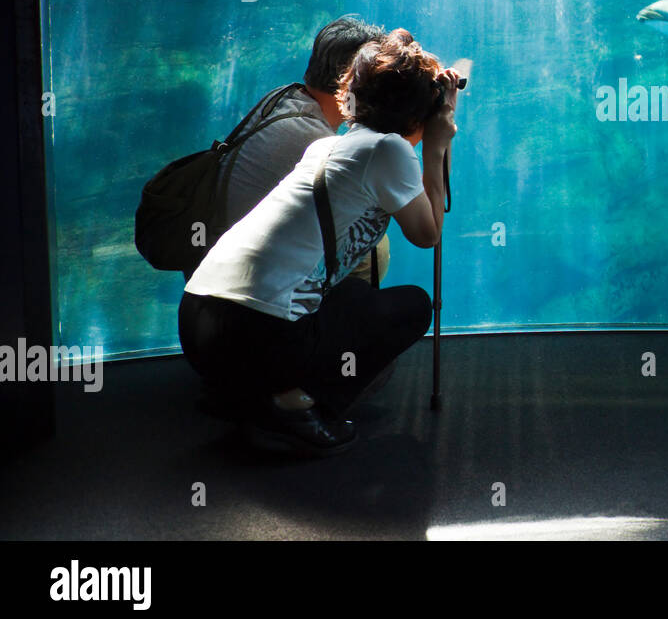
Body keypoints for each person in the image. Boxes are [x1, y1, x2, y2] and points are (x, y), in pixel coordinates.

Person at [179, 29, 461, 456]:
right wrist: (437, 144)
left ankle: (245, 390)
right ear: (419, 109)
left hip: (199, 320)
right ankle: (290, 407)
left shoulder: (328, 148)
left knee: (348, 293)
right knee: (411, 306)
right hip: (253, 331)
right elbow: (428, 235)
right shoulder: (388, 151)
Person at [206, 16, 388, 283]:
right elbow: (406, 212)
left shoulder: (284, 99)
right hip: (246, 285)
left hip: (213, 267)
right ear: (355, 80)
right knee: (375, 251)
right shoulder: (316, 141)